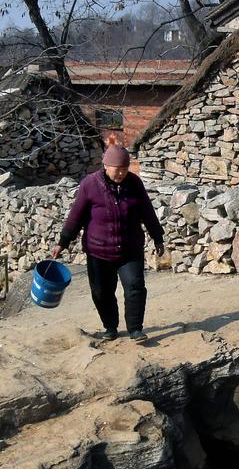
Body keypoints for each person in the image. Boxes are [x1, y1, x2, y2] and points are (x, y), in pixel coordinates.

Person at [51, 145, 165, 341]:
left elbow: (147, 212)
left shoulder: (135, 183)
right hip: (98, 251)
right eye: (116, 169)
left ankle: (135, 329)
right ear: (106, 166)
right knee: (102, 292)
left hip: (130, 248)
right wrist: (63, 241)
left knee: (135, 287)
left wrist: (158, 237)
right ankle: (110, 328)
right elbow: (75, 216)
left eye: (124, 168)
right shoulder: (90, 184)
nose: (121, 173)